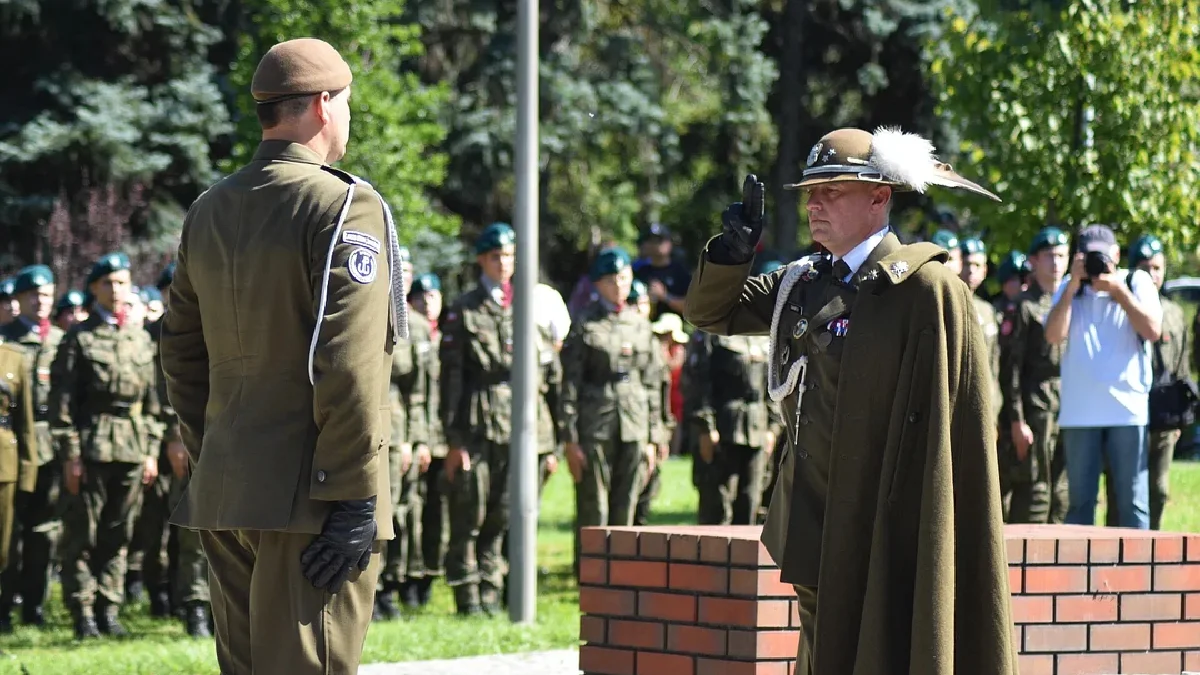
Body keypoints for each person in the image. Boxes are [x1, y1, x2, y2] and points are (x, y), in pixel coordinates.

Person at [684, 127, 1015, 675]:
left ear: (880, 196)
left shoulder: (925, 289)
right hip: (813, 523)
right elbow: (710, 311)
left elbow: (950, 434)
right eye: (810, 192)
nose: (815, 203)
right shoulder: (802, 282)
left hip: (885, 530)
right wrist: (731, 254)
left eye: (832, 190)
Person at [160, 38, 408, 674]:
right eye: (347, 103)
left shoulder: (208, 209)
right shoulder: (344, 204)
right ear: (324, 105)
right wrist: (355, 494)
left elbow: (182, 353)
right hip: (314, 501)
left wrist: (213, 446)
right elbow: (349, 361)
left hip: (228, 489)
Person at [439, 222, 559, 615]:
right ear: (482, 261)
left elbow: (549, 374)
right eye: (496, 256)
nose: (504, 263)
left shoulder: (528, 306)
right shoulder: (465, 308)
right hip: (479, 423)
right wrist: (455, 440)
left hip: (523, 424)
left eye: (509, 255)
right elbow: (452, 379)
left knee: (506, 514)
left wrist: (553, 439)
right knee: (471, 512)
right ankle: (467, 595)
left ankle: (494, 591)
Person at [50, 252, 162, 639]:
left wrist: (150, 452)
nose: (116, 289)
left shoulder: (140, 338)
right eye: (107, 283)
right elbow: (62, 405)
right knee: (82, 534)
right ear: (94, 289)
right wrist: (71, 455)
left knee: (119, 534)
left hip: (131, 448)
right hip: (92, 445)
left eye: (121, 282)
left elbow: (152, 404)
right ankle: (82, 612)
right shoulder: (77, 339)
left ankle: (109, 610)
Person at [1045, 224, 1161, 530]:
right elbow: (1054, 336)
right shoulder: (1070, 288)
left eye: (1102, 255)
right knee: (1080, 505)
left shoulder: (1136, 281)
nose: (1096, 263)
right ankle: (1079, 576)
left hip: (1127, 412)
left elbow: (1152, 330)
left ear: (1117, 255)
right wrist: (1071, 288)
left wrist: (1117, 292)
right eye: (1089, 255)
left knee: (1132, 504)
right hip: (1080, 415)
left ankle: (1137, 575)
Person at [560, 247, 665, 569]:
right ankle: (592, 570)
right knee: (595, 504)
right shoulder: (584, 323)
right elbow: (569, 384)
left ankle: (622, 570)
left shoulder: (640, 325)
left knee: (627, 501)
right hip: (596, 422)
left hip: (633, 420)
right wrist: (570, 437)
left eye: (623, 278)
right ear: (597, 285)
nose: (618, 286)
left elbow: (653, 383)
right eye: (610, 280)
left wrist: (654, 435)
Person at [1103, 234, 1186, 530]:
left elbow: (1182, 364)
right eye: (1145, 267)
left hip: (1163, 412)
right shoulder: (1116, 308)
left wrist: (1179, 417)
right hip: (1125, 408)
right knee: (1121, 489)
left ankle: (1154, 551)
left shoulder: (1174, 312)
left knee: (1159, 488)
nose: (1152, 275)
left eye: (1158, 268)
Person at [0, 265, 64, 632]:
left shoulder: (60, 339)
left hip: (50, 443)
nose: (40, 301)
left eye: (46, 293)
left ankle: (35, 606)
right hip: (14, 445)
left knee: (44, 530)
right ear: (19, 300)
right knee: (9, 532)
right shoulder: (5, 341)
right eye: (32, 295)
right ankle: (5, 604)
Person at [1000, 227, 1070, 524]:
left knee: (1062, 494)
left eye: (1061, 256)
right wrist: (1017, 421)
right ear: (1034, 261)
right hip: (1035, 408)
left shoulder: (1071, 302)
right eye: (1048, 256)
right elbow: (1011, 368)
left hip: (1067, 406)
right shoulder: (1024, 307)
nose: (1055, 263)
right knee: (1035, 494)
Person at [686, 307, 773, 526]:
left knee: (751, 500)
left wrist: (774, 428)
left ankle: (744, 561)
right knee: (718, 504)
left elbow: (775, 384)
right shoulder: (711, 329)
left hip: (757, 428)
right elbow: (698, 381)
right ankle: (712, 560)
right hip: (722, 428)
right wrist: (706, 427)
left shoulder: (765, 334)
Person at [408, 273, 447, 606]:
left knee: (438, 509)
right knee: (412, 507)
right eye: (422, 297)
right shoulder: (412, 333)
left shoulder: (443, 338)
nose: (428, 303)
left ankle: (428, 575)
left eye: (434, 296)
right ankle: (407, 576)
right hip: (417, 434)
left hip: (443, 438)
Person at [0, 342, 37, 603]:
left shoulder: (14, 357)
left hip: (3, 465)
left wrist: (27, 474)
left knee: (2, 549)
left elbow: (25, 422)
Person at [633, 223, 692, 321]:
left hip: (674, 331)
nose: (654, 245)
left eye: (659, 240)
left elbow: (692, 308)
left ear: (669, 243)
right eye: (651, 240)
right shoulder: (640, 271)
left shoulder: (680, 272)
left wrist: (665, 296)